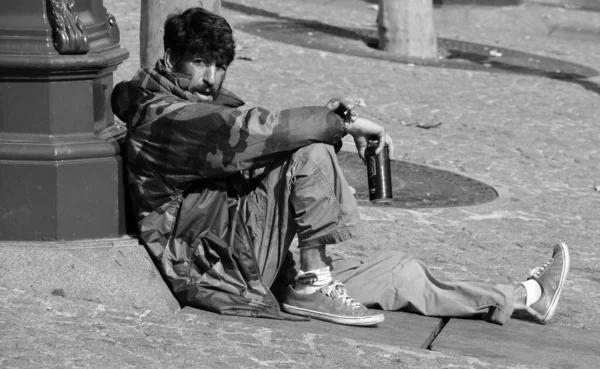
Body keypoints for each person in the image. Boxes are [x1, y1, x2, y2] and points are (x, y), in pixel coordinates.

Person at [110, 7, 570, 327]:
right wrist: (340, 125)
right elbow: (252, 131)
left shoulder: (199, 104)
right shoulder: (163, 118)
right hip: (217, 271)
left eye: (219, 65)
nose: (210, 78)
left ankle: (524, 298)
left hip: (250, 253)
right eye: (200, 62)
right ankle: (315, 283)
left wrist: (333, 116)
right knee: (309, 151)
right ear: (170, 57)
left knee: (399, 272)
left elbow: (253, 142)